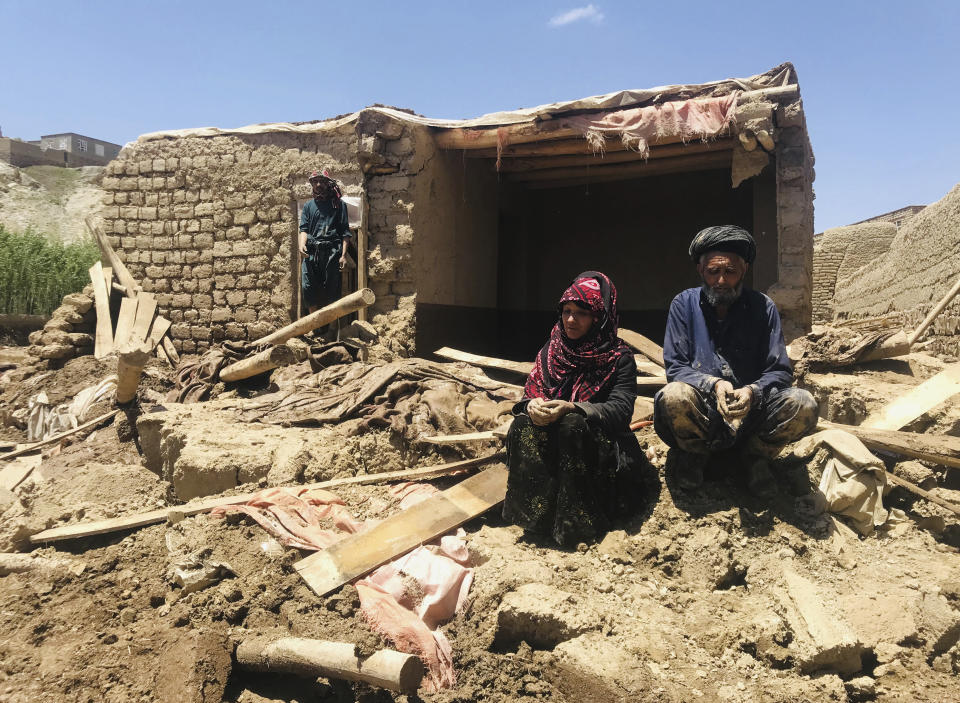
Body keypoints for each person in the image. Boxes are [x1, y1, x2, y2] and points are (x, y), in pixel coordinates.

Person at [654, 225, 818, 494]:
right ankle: (695, 455)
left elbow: (779, 371)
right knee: (673, 396)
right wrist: (714, 385)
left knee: (804, 403)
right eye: (713, 272)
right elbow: (676, 367)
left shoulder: (763, 307)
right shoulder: (683, 305)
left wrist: (753, 392)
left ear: (743, 271)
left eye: (729, 272)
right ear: (701, 271)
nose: (721, 280)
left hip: (751, 412)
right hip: (703, 410)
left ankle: (755, 457)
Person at [502, 271, 641, 547]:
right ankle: (536, 521)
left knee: (572, 425)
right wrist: (532, 406)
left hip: (602, 450)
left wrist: (574, 407)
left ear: (599, 318)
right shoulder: (552, 350)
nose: (570, 320)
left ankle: (580, 525)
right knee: (521, 424)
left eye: (581, 313)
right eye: (566, 311)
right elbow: (531, 392)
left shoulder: (619, 358)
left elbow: (622, 410)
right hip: (558, 444)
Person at [299, 169, 351, 319]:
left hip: (332, 252)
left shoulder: (338, 205)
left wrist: (343, 255)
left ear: (328, 184)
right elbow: (304, 229)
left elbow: (345, 232)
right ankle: (312, 324)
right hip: (311, 251)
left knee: (332, 289)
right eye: (315, 182)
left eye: (322, 181)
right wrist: (302, 245)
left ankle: (333, 328)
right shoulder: (308, 206)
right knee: (307, 286)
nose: (319, 184)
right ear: (312, 185)